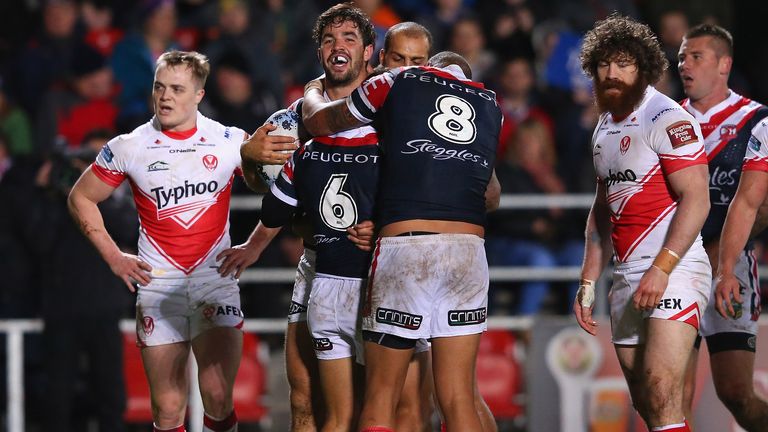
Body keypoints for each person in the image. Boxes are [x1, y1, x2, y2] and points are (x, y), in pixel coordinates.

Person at [301, 50, 503, 431]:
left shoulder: (396, 81)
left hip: (406, 247)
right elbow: (491, 195)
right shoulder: (491, 104)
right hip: (469, 252)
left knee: (380, 398)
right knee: (459, 400)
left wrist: (313, 89)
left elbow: (318, 121)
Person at [68, 50, 249, 432]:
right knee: (167, 408)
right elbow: (80, 197)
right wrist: (114, 257)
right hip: (159, 283)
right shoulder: (129, 145)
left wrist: (256, 245)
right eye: (159, 87)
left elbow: (282, 192)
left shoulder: (231, 141)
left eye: (177, 89)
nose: (165, 96)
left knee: (217, 395)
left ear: (199, 94)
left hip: (213, 281)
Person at [573, 14, 711, 432]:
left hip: (675, 271)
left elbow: (697, 199)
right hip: (626, 278)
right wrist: (588, 280)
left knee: (661, 392)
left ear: (644, 68)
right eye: (603, 65)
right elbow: (602, 209)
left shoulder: (665, 118)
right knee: (650, 408)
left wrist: (662, 267)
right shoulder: (603, 126)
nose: (612, 74)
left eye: (623, 64)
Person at [677, 24, 768, 431]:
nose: (684, 65)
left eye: (696, 56)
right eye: (681, 57)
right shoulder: (667, 119)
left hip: (728, 267)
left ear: (724, 64)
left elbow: (760, 205)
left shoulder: (757, 121)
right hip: (675, 269)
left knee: (735, 392)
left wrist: (718, 258)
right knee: (672, 392)